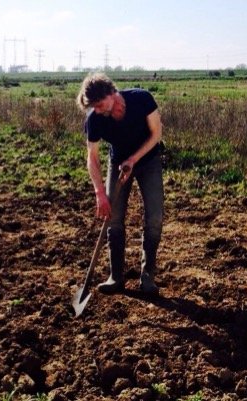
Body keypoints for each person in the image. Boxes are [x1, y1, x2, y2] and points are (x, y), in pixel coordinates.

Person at [76, 73, 164, 296]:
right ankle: (115, 277)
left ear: (111, 93)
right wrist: (99, 192)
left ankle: (147, 277)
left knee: (154, 217)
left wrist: (133, 160)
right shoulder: (94, 119)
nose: (97, 109)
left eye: (99, 104)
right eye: (92, 106)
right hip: (118, 163)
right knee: (113, 218)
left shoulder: (142, 99)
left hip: (148, 160)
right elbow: (92, 157)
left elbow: (156, 134)